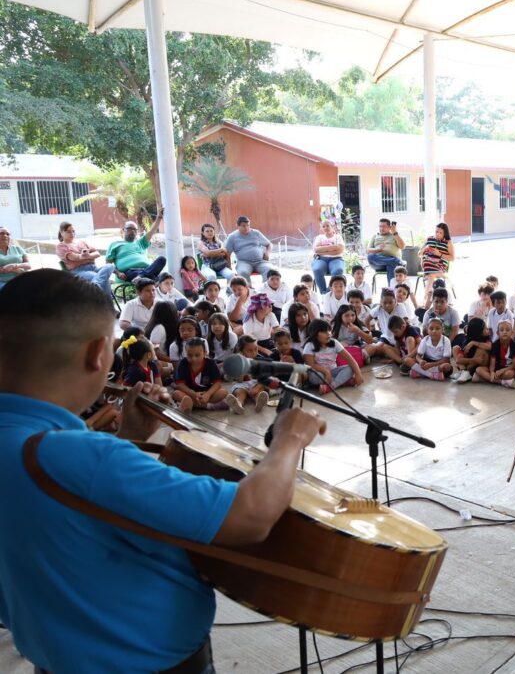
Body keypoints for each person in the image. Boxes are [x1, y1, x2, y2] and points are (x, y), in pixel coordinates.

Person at [0, 269, 325, 673]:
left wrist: (127, 436)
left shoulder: (54, 450)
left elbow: (63, 513)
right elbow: (251, 515)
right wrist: (289, 438)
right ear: (99, 353)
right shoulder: (84, 456)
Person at [56, 222, 113, 296]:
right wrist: (85, 256)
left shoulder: (81, 242)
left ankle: (96, 285)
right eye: (68, 232)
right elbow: (74, 258)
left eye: (73, 231)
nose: (72, 234)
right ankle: (108, 304)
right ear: (61, 233)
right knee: (102, 279)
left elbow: (97, 254)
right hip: (79, 271)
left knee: (110, 266)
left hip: (94, 268)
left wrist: (87, 255)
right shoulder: (61, 246)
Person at [106, 217, 166, 283]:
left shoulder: (140, 243)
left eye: (135, 229)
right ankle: (146, 277)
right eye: (129, 229)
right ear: (123, 230)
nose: (132, 231)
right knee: (157, 277)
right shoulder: (115, 245)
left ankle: (142, 276)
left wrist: (159, 218)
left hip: (147, 269)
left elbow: (152, 231)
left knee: (162, 259)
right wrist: (118, 273)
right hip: (130, 272)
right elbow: (108, 264)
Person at [224, 216, 272, 283]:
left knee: (270, 271)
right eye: (243, 226)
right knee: (243, 273)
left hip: (260, 261)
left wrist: (267, 253)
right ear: (237, 226)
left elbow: (269, 244)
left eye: (248, 225)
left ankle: (266, 291)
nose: (246, 228)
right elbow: (227, 253)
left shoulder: (256, 233)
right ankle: (247, 291)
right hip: (243, 262)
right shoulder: (232, 237)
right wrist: (229, 266)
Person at [366, 218, 406, 288]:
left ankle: (391, 289)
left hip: (392, 265)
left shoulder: (395, 236)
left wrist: (395, 232)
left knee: (391, 264)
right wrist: (377, 249)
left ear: (389, 227)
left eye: (383, 226)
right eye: (380, 226)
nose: (381, 228)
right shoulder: (375, 236)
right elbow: (368, 251)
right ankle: (396, 261)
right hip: (379, 264)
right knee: (370, 256)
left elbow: (402, 247)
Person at [311, 220, 346, 295]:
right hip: (321, 259)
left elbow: (340, 250)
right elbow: (316, 249)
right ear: (321, 229)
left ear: (332, 227)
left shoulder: (337, 237)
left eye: (327, 225)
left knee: (338, 270)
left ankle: (329, 291)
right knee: (317, 269)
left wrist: (323, 249)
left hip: (336, 259)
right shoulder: (319, 237)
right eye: (323, 226)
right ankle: (324, 293)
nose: (326, 228)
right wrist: (332, 247)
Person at [420, 223, 455, 292]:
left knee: (431, 274)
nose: (438, 234)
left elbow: (452, 258)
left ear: (445, 233)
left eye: (440, 233)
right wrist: (425, 249)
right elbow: (419, 254)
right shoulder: (429, 239)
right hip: (427, 263)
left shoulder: (448, 243)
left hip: (440, 265)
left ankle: (426, 296)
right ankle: (445, 278)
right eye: (436, 231)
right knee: (427, 261)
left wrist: (439, 254)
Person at [0, 226, 31, 291]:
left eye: (7, 234)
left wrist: (15, 265)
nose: (5, 236)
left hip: (21, 279)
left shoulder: (18, 248)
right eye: (2, 233)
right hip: (3, 282)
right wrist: (13, 269)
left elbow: (29, 265)